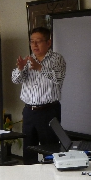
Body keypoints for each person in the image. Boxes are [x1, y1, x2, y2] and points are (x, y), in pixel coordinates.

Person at [11, 27, 66, 165]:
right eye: (32, 41)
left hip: (49, 111)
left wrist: (39, 67)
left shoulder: (57, 59)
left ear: (48, 42)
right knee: (29, 149)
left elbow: (58, 78)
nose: (34, 45)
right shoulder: (28, 60)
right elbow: (16, 80)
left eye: (38, 41)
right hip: (29, 111)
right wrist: (20, 68)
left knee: (50, 149)